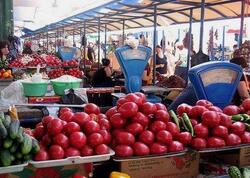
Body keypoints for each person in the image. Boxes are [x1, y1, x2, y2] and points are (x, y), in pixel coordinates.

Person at [168, 57, 249, 111]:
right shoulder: (237, 73)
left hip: (177, 110)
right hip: (191, 110)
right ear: (240, 67)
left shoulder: (216, 72)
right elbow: (245, 96)